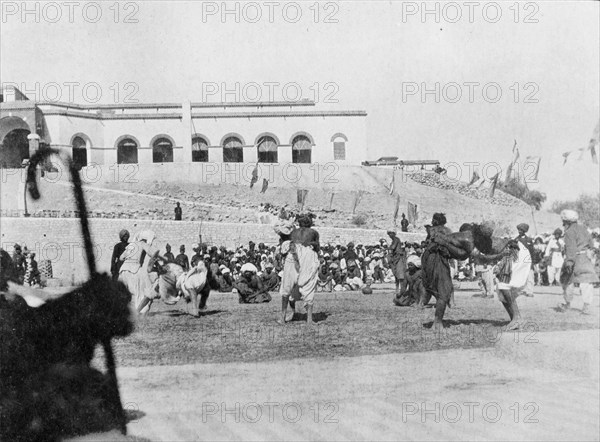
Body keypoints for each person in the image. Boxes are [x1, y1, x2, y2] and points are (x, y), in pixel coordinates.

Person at [423, 221, 507, 331]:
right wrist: (501, 255)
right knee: (444, 291)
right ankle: (437, 323)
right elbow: (481, 258)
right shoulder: (469, 240)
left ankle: (437, 321)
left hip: (435, 256)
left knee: (443, 290)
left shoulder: (468, 236)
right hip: (435, 256)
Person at [279, 214, 320, 325]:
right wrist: (310, 244)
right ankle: (309, 319)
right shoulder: (314, 232)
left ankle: (282, 318)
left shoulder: (293, 232)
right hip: (307, 255)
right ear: (310, 223)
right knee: (308, 285)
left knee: (287, 286)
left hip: (292, 253)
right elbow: (317, 247)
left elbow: (284, 240)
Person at [557, 210, 599, 315]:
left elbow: (571, 248)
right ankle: (586, 306)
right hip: (586, 259)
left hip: (575, 258)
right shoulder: (584, 229)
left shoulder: (569, 231)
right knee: (586, 283)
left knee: (567, 281)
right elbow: (591, 244)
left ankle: (567, 304)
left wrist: (569, 262)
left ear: (566, 221)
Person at [118, 230, 159, 314]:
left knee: (122, 293)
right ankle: (140, 311)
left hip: (123, 270)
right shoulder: (143, 244)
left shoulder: (131, 245)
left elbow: (121, 258)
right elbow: (152, 253)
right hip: (134, 270)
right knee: (142, 292)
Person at [494, 239, 530, 330]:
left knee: (505, 291)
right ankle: (514, 318)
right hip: (507, 270)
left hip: (512, 269)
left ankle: (516, 319)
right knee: (502, 293)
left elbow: (513, 256)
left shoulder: (512, 248)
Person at [515, 223, 535, 297]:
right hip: (520, 260)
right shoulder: (516, 239)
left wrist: (533, 262)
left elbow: (532, 252)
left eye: (521, 230)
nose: (519, 231)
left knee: (530, 276)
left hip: (528, 261)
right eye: (519, 230)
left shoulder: (529, 240)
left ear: (524, 231)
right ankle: (520, 290)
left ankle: (529, 291)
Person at [387, 229, 407, 297]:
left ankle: (402, 289)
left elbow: (392, 248)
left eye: (391, 233)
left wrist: (387, 249)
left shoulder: (396, 239)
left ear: (394, 234)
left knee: (400, 273)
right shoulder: (393, 241)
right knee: (396, 274)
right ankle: (397, 289)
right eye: (389, 234)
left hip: (399, 258)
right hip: (395, 258)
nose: (390, 235)